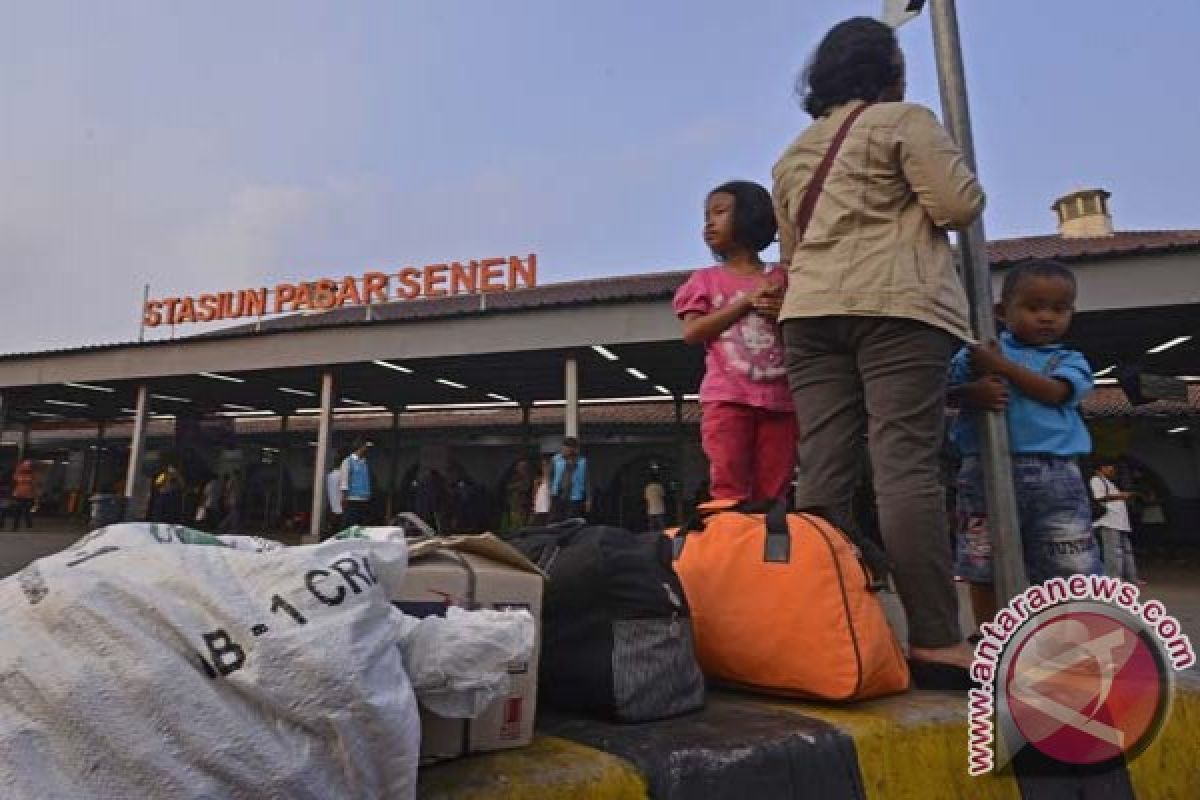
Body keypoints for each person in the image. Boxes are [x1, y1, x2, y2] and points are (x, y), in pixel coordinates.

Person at [773, 17, 985, 685]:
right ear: (887, 68)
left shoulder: (792, 153)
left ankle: (825, 621)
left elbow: (791, 252)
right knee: (904, 468)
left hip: (809, 313)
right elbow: (956, 206)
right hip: (895, 306)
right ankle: (933, 638)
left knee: (824, 473)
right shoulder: (904, 119)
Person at [951, 260, 1102, 629]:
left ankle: (1076, 640)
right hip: (982, 470)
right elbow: (942, 393)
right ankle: (993, 640)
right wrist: (971, 393)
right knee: (982, 560)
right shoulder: (977, 353)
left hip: (1056, 476)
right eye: (1034, 308)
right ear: (1003, 312)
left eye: (1059, 309)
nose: (1047, 317)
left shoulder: (1067, 359)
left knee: (1070, 560)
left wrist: (1001, 368)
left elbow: (1054, 393)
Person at [674, 181, 796, 502]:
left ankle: (764, 547)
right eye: (707, 216)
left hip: (782, 402)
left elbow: (801, 337)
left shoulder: (783, 278)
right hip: (727, 399)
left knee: (774, 489)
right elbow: (693, 331)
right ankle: (731, 546)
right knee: (728, 486)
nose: (709, 223)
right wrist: (745, 302)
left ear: (750, 216)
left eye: (720, 212)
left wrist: (782, 313)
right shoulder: (705, 280)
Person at [1091, 461, 1142, 584]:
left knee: (1126, 550)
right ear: (1101, 468)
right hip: (1109, 521)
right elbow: (1099, 497)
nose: (1111, 469)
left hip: (1120, 521)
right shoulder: (1096, 480)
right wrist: (1120, 496)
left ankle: (1131, 577)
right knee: (1113, 552)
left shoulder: (1109, 482)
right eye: (1108, 467)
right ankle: (1114, 579)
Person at [549, 437, 590, 521]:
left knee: (572, 521)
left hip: (575, 497)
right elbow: (551, 476)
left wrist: (589, 499)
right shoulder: (556, 459)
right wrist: (551, 490)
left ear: (574, 449)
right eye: (564, 447)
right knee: (556, 521)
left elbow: (587, 481)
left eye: (569, 448)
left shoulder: (582, 461)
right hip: (558, 496)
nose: (565, 450)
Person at [339, 440, 373, 528]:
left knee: (362, 525)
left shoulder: (364, 462)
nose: (366, 449)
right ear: (360, 448)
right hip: (352, 499)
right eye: (365, 447)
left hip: (364, 499)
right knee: (351, 524)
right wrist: (344, 498)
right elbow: (344, 480)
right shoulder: (348, 461)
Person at [502, 458, 533, 531]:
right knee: (514, 519)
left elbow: (526, 487)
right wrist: (516, 486)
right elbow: (507, 487)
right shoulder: (513, 477)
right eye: (520, 466)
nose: (522, 468)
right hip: (514, 502)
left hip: (524, 503)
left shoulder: (527, 477)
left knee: (522, 520)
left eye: (524, 467)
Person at [10, 460, 38, 531]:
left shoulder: (32, 474)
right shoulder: (19, 473)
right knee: (18, 511)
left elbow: (34, 485)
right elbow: (15, 478)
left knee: (26, 511)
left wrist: (35, 496)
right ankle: (16, 526)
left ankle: (27, 526)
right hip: (19, 495)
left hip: (28, 495)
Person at [531, 456, 552, 525]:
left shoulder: (553, 480)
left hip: (548, 509)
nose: (545, 468)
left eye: (547, 465)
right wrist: (534, 505)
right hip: (539, 508)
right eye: (543, 465)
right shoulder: (537, 480)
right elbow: (534, 494)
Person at [326, 463, 344, 536]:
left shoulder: (330, 475)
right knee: (337, 526)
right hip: (339, 505)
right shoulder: (341, 476)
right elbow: (342, 490)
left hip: (332, 503)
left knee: (333, 525)